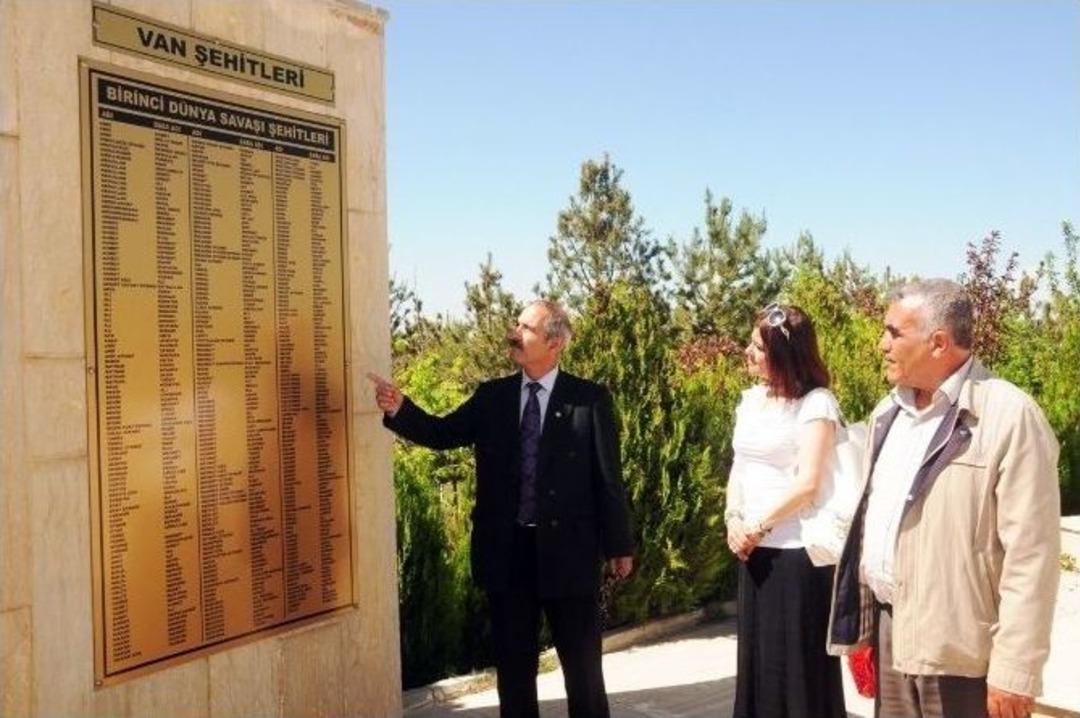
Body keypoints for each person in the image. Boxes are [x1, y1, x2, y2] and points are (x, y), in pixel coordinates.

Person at [368, 299, 634, 718]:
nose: (514, 332)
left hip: (569, 556)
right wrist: (401, 408)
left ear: (555, 342)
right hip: (507, 557)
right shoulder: (492, 397)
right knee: (514, 675)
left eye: (526, 328)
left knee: (583, 673)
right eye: (516, 324)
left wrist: (620, 545)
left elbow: (608, 479)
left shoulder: (589, 400)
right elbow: (442, 433)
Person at [828, 279, 1061, 718]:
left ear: (938, 343)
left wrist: (1015, 669)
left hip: (963, 650)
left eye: (894, 332)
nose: (882, 344)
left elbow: (1033, 555)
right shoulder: (887, 414)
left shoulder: (1009, 416)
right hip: (892, 631)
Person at [724, 303, 847, 718]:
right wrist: (732, 520)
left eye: (758, 346)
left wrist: (756, 526)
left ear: (783, 352)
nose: (748, 351)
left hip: (796, 558)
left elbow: (807, 483)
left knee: (797, 673)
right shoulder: (752, 400)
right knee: (759, 669)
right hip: (753, 553)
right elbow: (739, 466)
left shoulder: (816, 404)